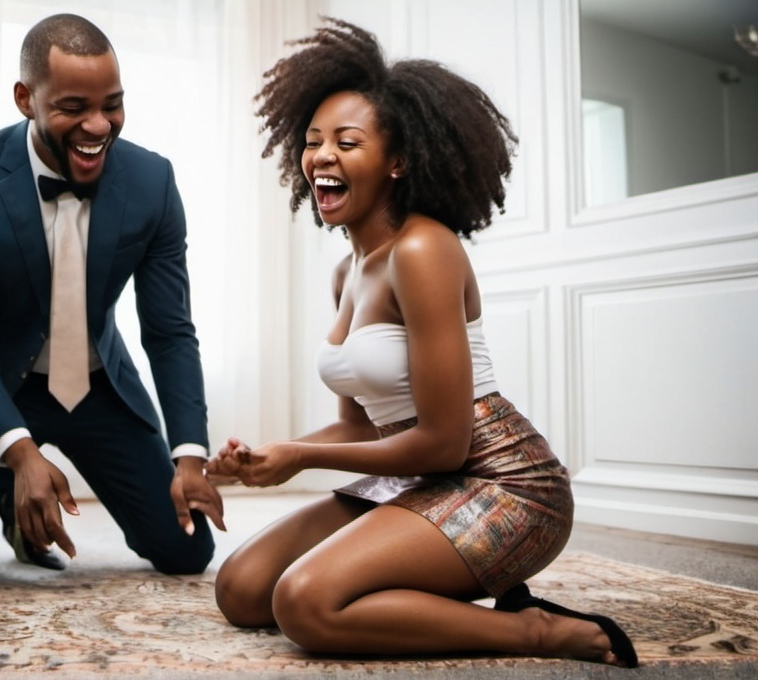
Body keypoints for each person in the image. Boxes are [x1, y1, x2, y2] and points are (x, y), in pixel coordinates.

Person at [205, 18, 637, 668]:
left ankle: (534, 631)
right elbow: (362, 428)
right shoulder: (347, 271)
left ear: (399, 160)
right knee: (241, 590)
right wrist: (272, 453)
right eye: (314, 140)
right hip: (418, 478)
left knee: (305, 603)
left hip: (505, 485)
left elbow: (445, 442)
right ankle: (408, 578)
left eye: (346, 142)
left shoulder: (423, 248)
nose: (321, 155)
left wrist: (301, 457)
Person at [0, 13, 224, 590]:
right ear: (26, 98)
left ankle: (32, 496)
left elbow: (170, 330)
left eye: (113, 104)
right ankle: (8, 501)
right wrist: (21, 455)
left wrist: (189, 455)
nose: (98, 124)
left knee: (188, 550)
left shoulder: (152, 181)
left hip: (95, 384)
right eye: (74, 107)